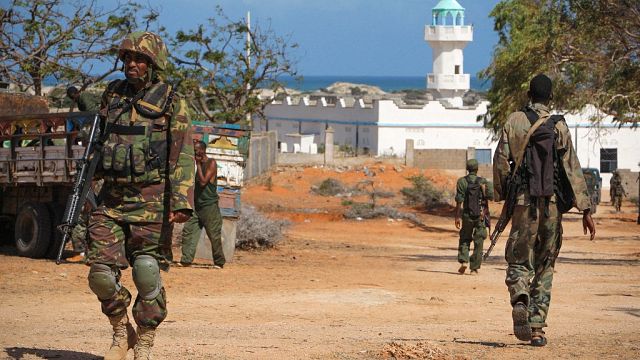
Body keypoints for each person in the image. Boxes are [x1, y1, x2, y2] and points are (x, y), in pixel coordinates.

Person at [85, 31, 195, 360]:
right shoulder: (113, 94)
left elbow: (183, 152)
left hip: (153, 200)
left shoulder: (172, 99)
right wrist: (87, 185)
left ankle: (144, 342)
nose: (131, 64)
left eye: (140, 59)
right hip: (112, 200)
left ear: (153, 63)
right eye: (127, 59)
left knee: (146, 271)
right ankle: (122, 330)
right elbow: (99, 144)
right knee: (100, 275)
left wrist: (181, 201)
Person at [493, 74, 596, 347]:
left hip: (523, 203)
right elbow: (572, 167)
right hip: (551, 205)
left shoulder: (513, 121)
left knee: (518, 257)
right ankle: (537, 328)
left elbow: (501, 161)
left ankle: (520, 297)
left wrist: (503, 193)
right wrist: (585, 208)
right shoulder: (558, 125)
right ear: (550, 97)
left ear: (528, 93)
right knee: (546, 264)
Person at [179, 140, 225, 269]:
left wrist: (198, 164)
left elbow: (204, 181)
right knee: (189, 231)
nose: (194, 152)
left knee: (213, 235)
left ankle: (219, 262)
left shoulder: (211, 163)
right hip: (196, 205)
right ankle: (186, 259)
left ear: (202, 150)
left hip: (209, 206)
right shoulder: (195, 164)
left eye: (196, 149)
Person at [454, 158, 493, 275]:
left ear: (467, 169)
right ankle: (474, 268)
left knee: (465, 238)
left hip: (466, 215)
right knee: (479, 241)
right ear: (477, 169)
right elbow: (491, 197)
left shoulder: (461, 182)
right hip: (480, 215)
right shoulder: (484, 182)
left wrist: (457, 216)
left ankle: (463, 261)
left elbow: (459, 200)